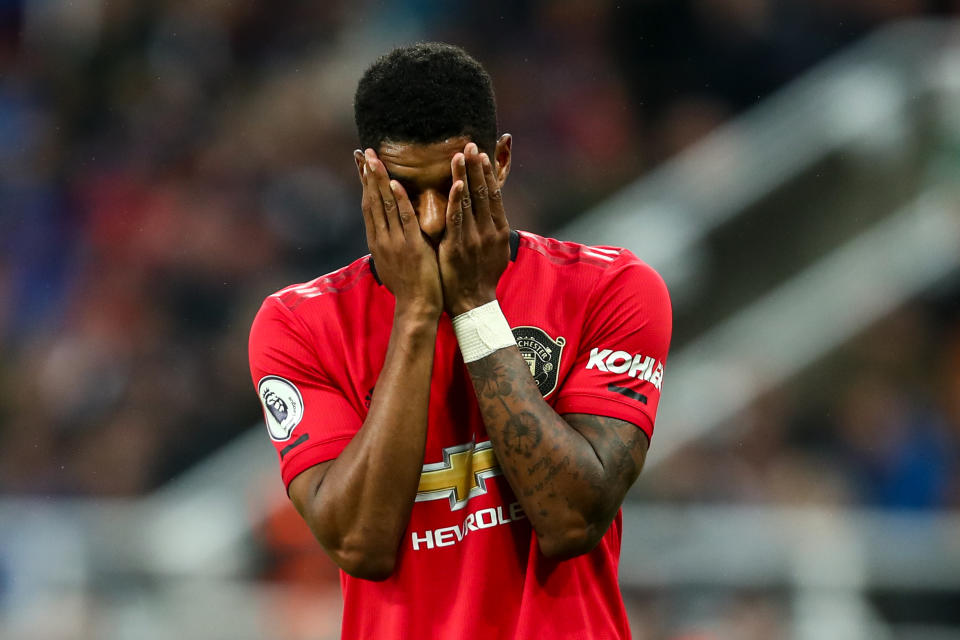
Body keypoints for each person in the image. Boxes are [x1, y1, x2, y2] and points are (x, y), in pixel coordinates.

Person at [248, 42, 672, 639]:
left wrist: (475, 306)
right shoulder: (298, 325)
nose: (427, 220)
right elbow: (360, 543)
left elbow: (572, 520)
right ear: (365, 173)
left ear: (497, 162)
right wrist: (417, 313)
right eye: (401, 188)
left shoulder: (611, 289)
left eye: (449, 186)